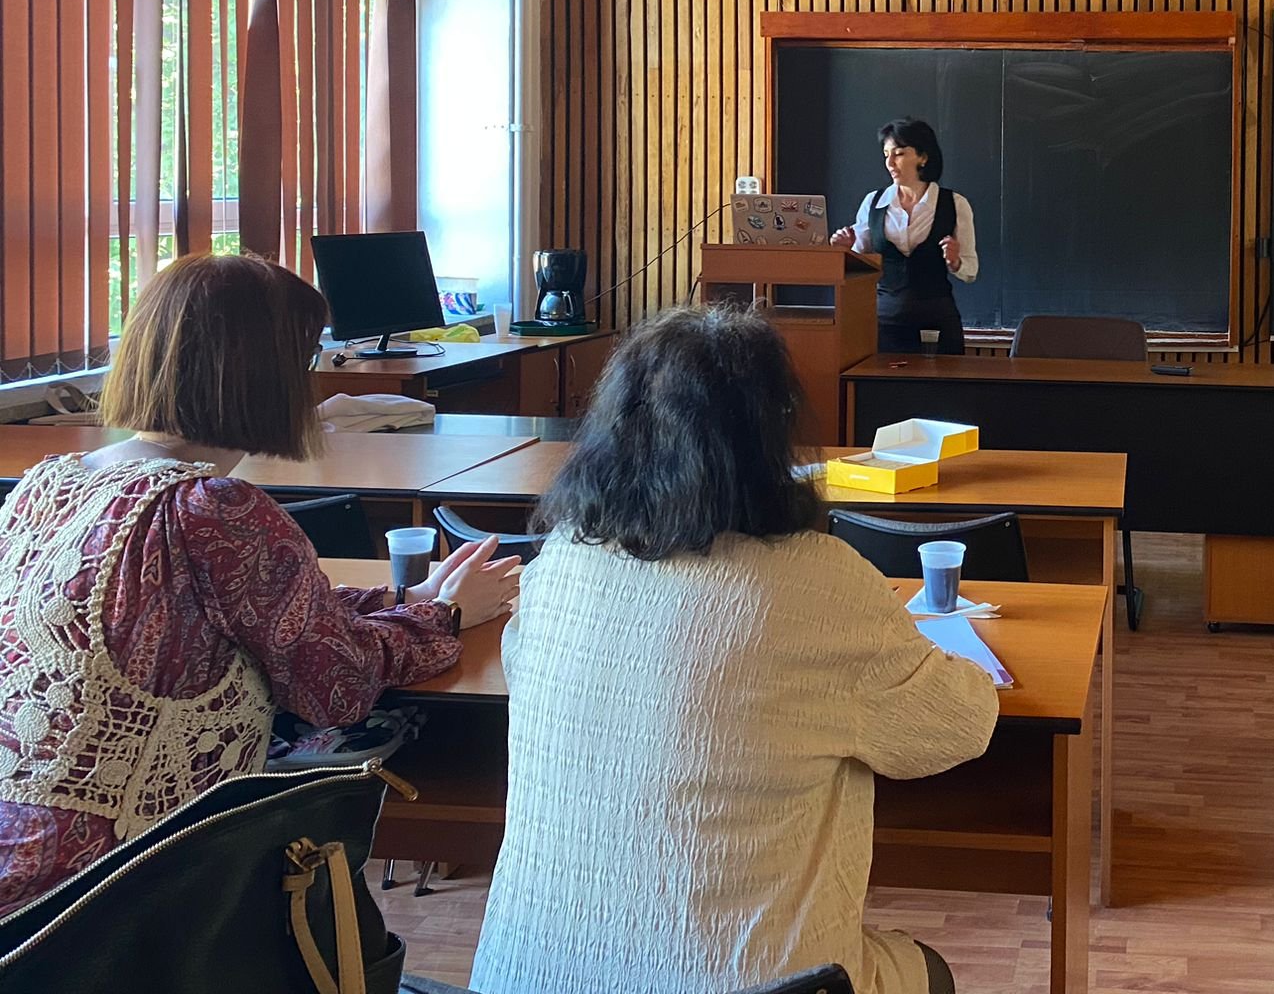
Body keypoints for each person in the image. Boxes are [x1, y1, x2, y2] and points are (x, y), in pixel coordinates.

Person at [471, 304, 997, 994]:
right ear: (771, 436)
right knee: (927, 970)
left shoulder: (558, 564)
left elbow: (520, 664)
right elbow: (958, 727)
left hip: (521, 976)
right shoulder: (818, 581)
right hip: (751, 982)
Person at [0, 254, 519, 915]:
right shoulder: (213, 510)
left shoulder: (48, 483)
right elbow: (335, 686)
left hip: (21, 865)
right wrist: (444, 615)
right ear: (265, 373)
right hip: (120, 888)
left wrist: (399, 600)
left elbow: (234, 616)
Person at [829, 117, 979, 354]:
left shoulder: (954, 204)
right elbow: (861, 260)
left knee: (941, 378)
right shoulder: (874, 202)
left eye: (899, 154)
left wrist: (955, 261)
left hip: (937, 324)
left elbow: (971, 270)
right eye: (886, 154)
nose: (890, 162)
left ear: (922, 157)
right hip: (884, 324)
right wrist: (845, 248)